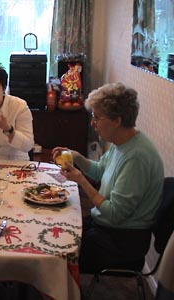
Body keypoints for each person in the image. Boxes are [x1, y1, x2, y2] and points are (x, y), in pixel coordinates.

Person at [52, 82, 164, 273]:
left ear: (116, 121)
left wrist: (81, 181)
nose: (92, 123)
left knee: (56, 251)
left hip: (122, 241)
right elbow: (99, 170)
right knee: (57, 224)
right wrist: (77, 157)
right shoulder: (122, 142)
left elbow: (115, 214)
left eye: (96, 117)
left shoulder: (136, 157)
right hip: (105, 225)